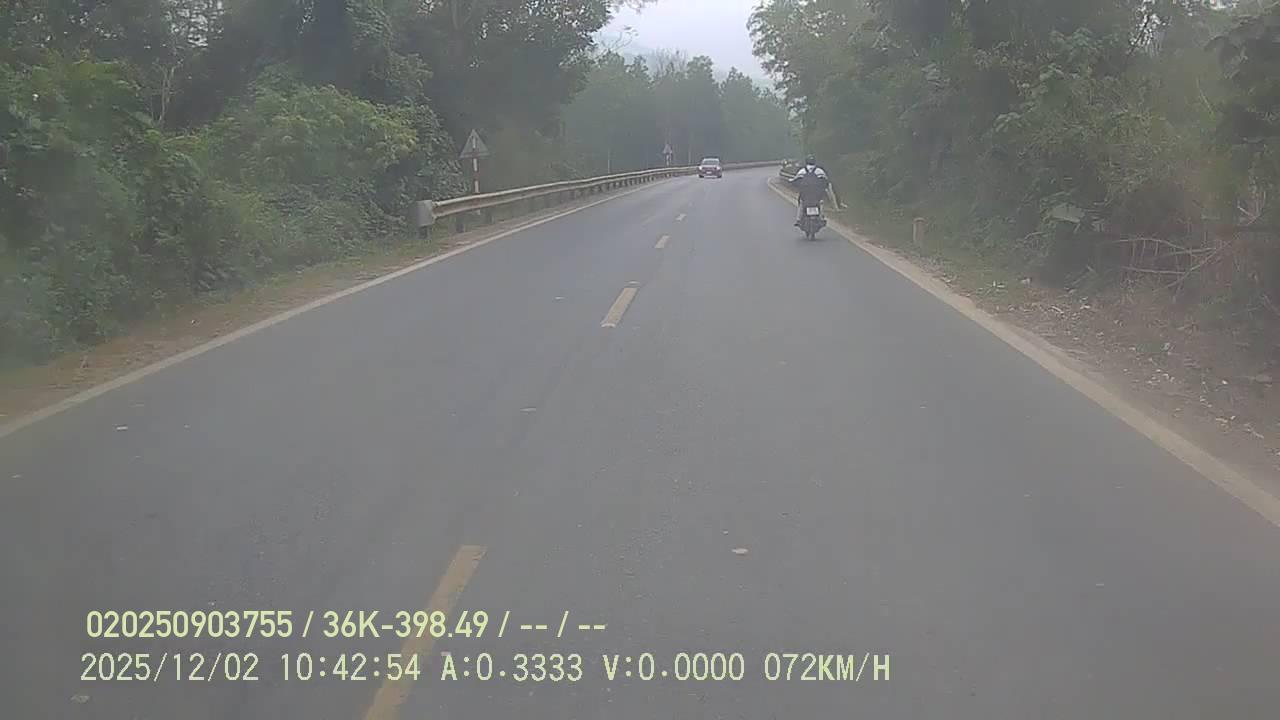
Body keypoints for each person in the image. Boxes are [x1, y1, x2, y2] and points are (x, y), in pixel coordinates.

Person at [789, 155, 832, 226]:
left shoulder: (802, 171)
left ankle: (798, 219)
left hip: (805, 193)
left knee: (801, 203)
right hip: (817, 193)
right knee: (820, 202)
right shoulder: (819, 170)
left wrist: (793, 183)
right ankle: (821, 217)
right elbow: (826, 180)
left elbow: (795, 180)